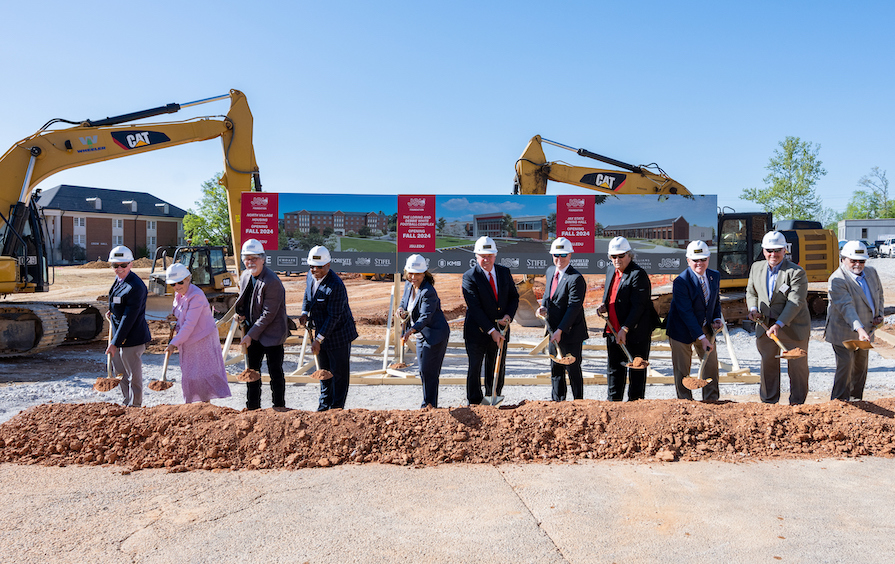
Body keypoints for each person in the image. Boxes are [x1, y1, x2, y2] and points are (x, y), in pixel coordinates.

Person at [746, 231, 811, 405]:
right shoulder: (756, 267)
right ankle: (769, 403)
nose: (773, 254)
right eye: (769, 250)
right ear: (764, 250)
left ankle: (797, 405)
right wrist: (753, 308)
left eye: (777, 250)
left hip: (793, 327)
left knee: (797, 367)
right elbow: (751, 291)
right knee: (768, 365)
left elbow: (795, 301)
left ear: (784, 250)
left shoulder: (796, 272)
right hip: (766, 326)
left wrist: (780, 324)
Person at [597, 236, 660, 402]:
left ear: (629, 255)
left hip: (635, 332)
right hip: (613, 330)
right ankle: (614, 404)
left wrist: (625, 329)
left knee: (637, 370)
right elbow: (611, 295)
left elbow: (639, 306)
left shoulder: (638, 274)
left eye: (621, 256)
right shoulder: (611, 271)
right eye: (613, 256)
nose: (617, 260)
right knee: (614, 370)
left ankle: (635, 407)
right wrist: (604, 306)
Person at [461, 236, 520, 405]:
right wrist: (491, 330)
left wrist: (508, 315)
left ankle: (492, 398)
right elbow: (475, 308)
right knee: (475, 368)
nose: (486, 259)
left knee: (497, 366)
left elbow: (514, 297)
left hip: (501, 330)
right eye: (482, 256)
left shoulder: (504, 272)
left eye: (490, 256)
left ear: (495, 255)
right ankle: (474, 402)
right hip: (477, 332)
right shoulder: (469, 277)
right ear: (476, 256)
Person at [299, 245, 358, 411]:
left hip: (339, 335)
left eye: (319, 267)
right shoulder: (310, 277)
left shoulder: (336, 286)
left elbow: (334, 317)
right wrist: (305, 311)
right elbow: (307, 295)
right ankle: (324, 406)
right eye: (311, 266)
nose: (314, 270)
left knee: (339, 374)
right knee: (324, 371)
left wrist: (318, 340)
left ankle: (337, 408)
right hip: (322, 332)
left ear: (328, 265)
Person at [824, 240, 885, 401]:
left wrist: (879, 313)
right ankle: (838, 403)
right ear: (842, 259)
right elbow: (846, 307)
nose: (858, 264)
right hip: (843, 332)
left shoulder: (871, 273)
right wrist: (859, 329)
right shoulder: (837, 279)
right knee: (845, 366)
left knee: (860, 367)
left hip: (866, 330)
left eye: (862, 261)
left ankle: (856, 402)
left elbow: (878, 295)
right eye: (853, 261)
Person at [164, 263, 231, 404]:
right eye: (173, 284)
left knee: (202, 375)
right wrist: (174, 318)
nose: (177, 286)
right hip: (188, 341)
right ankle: (193, 407)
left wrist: (173, 344)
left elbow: (189, 325)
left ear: (188, 279)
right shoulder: (179, 295)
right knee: (190, 375)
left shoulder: (196, 296)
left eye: (180, 282)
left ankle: (205, 407)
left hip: (202, 340)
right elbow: (182, 316)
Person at [235, 239, 289, 410]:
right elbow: (245, 300)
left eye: (254, 258)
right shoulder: (245, 276)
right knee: (251, 372)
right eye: (247, 258)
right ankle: (252, 408)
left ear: (263, 259)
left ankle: (279, 407)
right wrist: (240, 314)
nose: (250, 262)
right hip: (252, 332)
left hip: (272, 334)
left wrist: (250, 335)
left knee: (275, 372)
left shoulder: (272, 281)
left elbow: (268, 314)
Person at [665, 240, 724, 401]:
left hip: (705, 327)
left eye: (703, 259)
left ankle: (711, 400)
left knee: (711, 366)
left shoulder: (714, 276)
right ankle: (686, 403)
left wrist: (717, 318)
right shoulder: (681, 281)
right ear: (688, 260)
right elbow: (686, 312)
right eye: (695, 260)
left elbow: (715, 301)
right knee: (683, 371)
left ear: (708, 259)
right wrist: (702, 337)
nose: (700, 263)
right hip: (681, 330)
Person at [537, 237, 588, 401]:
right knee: (556, 370)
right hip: (553, 331)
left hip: (570, 333)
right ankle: (558, 403)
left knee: (573, 370)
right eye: (556, 255)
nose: (559, 259)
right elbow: (547, 295)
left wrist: (560, 330)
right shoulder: (551, 271)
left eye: (563, 254)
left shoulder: (576, 278)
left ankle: (578, 403)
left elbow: (574, 307)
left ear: (570, 255)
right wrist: (543, 307)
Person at [398, 254, 450, 408]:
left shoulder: (428, 291)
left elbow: (425, 316)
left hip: (435, 335)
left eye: (417, 274)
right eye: (411, 273)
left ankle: (428, 405)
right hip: (421, 334)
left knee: (429, 372)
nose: (413, 277)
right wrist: (400, 309)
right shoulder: (409, 285)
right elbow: (404, 301)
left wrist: (410, 331)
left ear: (424, 274)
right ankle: (429, 404)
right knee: (424, 370)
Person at [106, 245, 152, 407]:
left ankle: (135, 406)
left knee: (133, 376)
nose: (119, 269)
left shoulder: (136, 286)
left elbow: (129, 317)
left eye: (123, 265)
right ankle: (127, 402)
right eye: (115, 265)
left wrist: (114, 343)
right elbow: (118, 302)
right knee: (121, 374)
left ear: (131, 264)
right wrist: (112, 312)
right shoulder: (120, 280)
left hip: (133, 338)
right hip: (119, 335)